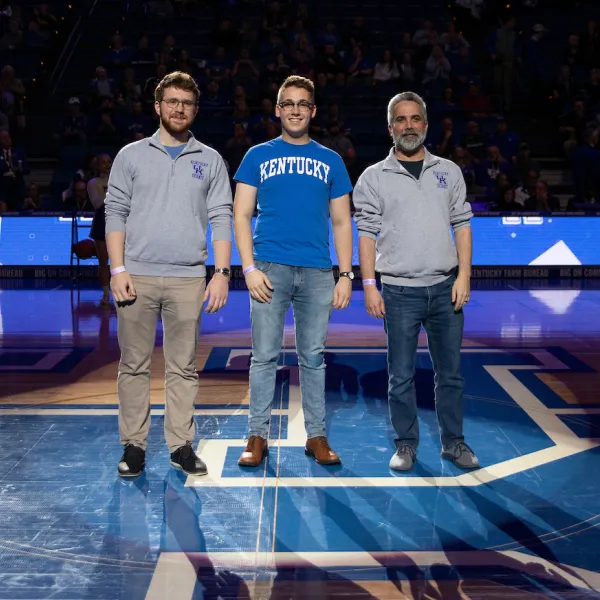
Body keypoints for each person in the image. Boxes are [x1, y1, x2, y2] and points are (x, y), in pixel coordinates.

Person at [105, 71, 233, 478]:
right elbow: (115, 213)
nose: (180, 109)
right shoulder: (130, 155)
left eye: (187, 103)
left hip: (188, 279)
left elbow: (221, 218)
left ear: (195, 109)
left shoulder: (210, 159)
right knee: (133, 365)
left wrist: (222, 273)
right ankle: (134, 446)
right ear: (158, 106)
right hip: (137, 276)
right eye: (173, 101)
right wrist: (117, 268)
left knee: (183, 367)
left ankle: (180, 445)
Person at [352, 91, 480, 472]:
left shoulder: (449, 171)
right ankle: (406, 444)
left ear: (426, 124)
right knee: (401, 376)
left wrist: (464, 277)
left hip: (445, 289)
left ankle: (453, 443)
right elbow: (366, 234)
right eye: (401, 120)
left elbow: (462, 225)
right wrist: (370, 285)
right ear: (390, 127)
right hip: (397, 291)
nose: (409, 126)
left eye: (415, 119)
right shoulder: (374, 177)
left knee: (451, 375)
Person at [233, 75, 353, 467]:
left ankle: (316, 436)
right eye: (289, 103)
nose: (296, 110)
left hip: (318, 271)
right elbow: (241, 214)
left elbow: (341, 222)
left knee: (313, 358)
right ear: (278, 110)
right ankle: (256, 435)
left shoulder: (331, 160)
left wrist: (346, 274)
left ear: (313, 111)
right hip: (269, 268)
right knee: (265, 356)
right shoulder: (257, 156)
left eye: (303, 103)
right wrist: (247, 267)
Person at [88, 153, 112, 307]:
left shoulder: (122, 180)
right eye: (103, 162)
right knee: (103, 261)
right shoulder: (92, 183)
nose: (107, 164)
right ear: (97, 166)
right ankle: (106, 295)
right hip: (102, 221)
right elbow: (97, 203)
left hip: (121, 220)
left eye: (109, 161)